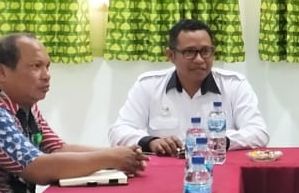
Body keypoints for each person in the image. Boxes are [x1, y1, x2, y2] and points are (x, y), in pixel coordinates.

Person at [0, 33, 145, 193]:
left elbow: (58, 148)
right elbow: (36, 167)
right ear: (1, 72)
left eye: (47, 66)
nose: (46, 75)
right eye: (36, 66)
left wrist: (120, 154)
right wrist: (111, 157)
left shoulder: (24, 105)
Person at [109, 19, 269, 153]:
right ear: (171, 55)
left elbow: (258, 133)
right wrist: (150, 141)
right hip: (163, 171)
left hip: (215, 169)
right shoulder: (148, 85)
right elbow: (118, 131)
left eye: (206, 51)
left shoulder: (234, 84)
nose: (199, 60)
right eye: (190, 52)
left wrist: (220, 141)